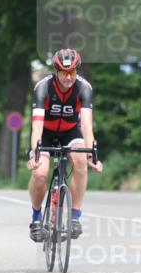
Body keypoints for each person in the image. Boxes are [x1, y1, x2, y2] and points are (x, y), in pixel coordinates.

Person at [26, 48, 102, 241]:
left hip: (70, 131)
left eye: (73, 72)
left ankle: (75, 217)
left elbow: (86, 126)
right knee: (40, 174)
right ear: (56, 71)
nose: (69, 77)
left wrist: (93, 155)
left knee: (81, 161)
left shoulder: (84, 88)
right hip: (45, 132)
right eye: (64, 72)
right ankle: (36, 218)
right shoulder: (43, 87)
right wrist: (34, 153)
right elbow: (36, 126)